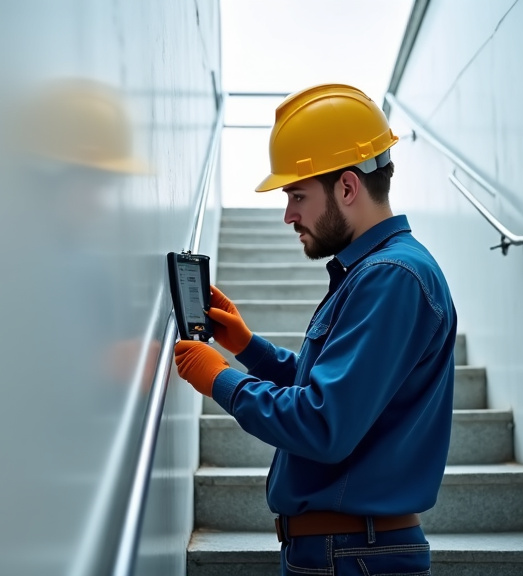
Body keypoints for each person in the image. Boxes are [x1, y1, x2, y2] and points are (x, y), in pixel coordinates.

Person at [173, 83, 457, 575]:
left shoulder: (391, 278)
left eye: (297, 195)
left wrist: (221, 379)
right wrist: (249, 349)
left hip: (351, 555)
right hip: (344, 551)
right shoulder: (380, 273)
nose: (289, 215)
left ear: (347, 187)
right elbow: (331, 390)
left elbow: (323, 423)